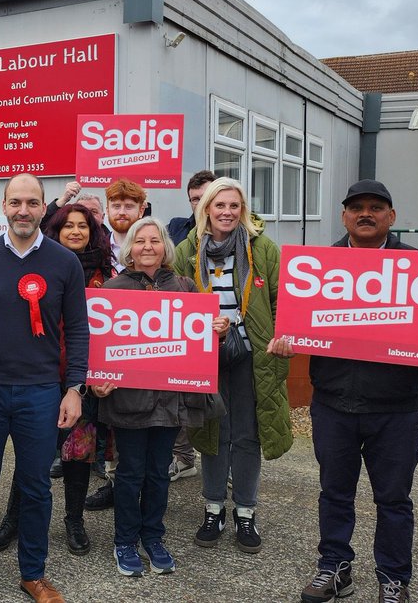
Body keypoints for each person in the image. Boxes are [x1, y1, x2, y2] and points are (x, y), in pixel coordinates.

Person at [270, 180, 418, 603]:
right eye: (356, 207)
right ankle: (334, 568)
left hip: (396, 409)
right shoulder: (318, 267)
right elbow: (290, 320)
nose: (366, 213)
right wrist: (285, 338)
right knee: (334, 493)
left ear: (391, 217)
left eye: (376, 207)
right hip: (334, 404)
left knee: (394, 499)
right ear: (344, 216)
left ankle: (393, 578)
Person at [0, 174, 89, 603]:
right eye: (15, 202)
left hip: (41, 391)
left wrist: (74, 389)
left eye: (32, 202)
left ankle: (34, 574)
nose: (23, 210)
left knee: (35, 486)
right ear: (4, 207)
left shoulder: (66, 262)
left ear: (44, 207)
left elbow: (79, 330)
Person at [92, 217, 219, 577]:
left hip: (170, 400)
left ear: (166, 246)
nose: (148, 247)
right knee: (130, 474)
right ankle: (124, 540)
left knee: (159, 474)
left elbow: (198, 343)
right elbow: (100, 347)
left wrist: (216, 332)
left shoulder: (185, 286)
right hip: (129, 401)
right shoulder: (113, 289)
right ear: (129, 249)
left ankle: (154, 537)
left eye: (155, 240)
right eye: (140, 241)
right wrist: (97, 380)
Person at [173, 176, 291, 555]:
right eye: (219, 205)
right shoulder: (186, 250)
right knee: (211, 431)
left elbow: (281, 301)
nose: (226, 212)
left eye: (234, 206)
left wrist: (283, 336)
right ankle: (212, 508)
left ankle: (245, 510)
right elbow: (172, 302)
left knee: (247, 433)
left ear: (243, 211)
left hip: (252, 354)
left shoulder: (264, 249)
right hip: (203, 354)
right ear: (205, 208)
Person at [0, 203, 113, 558]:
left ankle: (74, 520)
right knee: (35, 455)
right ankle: (13, 520)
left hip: (83, 380)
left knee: (79, 453)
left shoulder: (107, 275)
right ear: (55, 231)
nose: (76, 232)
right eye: (68, 226)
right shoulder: (37, 266)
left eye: (83, 226)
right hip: (42, 376)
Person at [165, 170, 217, 483]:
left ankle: (220, 463)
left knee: (218, 402)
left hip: (223, 329)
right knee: (182, 395)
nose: (201, 205)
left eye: (207, 198)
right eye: (195, 199)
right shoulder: (178, 229)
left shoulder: (242, 235)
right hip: (185, 325)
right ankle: (184, 458)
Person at [104, 179, 147, 271]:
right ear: (107, 210)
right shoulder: (96, 249)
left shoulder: (151, 250)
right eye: (116, 206)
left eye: (129, 206)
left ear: (141, 211)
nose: (122, 212)